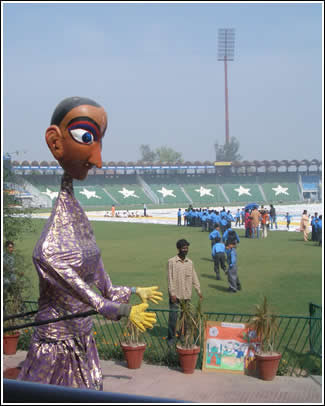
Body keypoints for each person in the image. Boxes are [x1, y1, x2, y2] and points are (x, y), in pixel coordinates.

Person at [17, 97, 163, 390]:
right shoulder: (49, 250)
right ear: (55, 141)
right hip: (54, 349)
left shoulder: (81, 232)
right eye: (86, 137)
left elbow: (107, 288)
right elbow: (94, 299)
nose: (98, 160)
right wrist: (124, 311)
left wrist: (135, 291)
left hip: (83, 341)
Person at [167, 239, 202, 345]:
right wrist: (172, 293)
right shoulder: (172, 262)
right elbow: (170, 279)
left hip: (186, 295)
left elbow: (194, 277)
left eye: (187, 248)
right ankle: (171, 338)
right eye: (183, 248)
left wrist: (198, 290)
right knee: (173, 317)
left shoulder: (190, 263)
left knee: (185, 318)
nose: (185, 250)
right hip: (175, 295)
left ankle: (183, 336)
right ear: (179, 249)